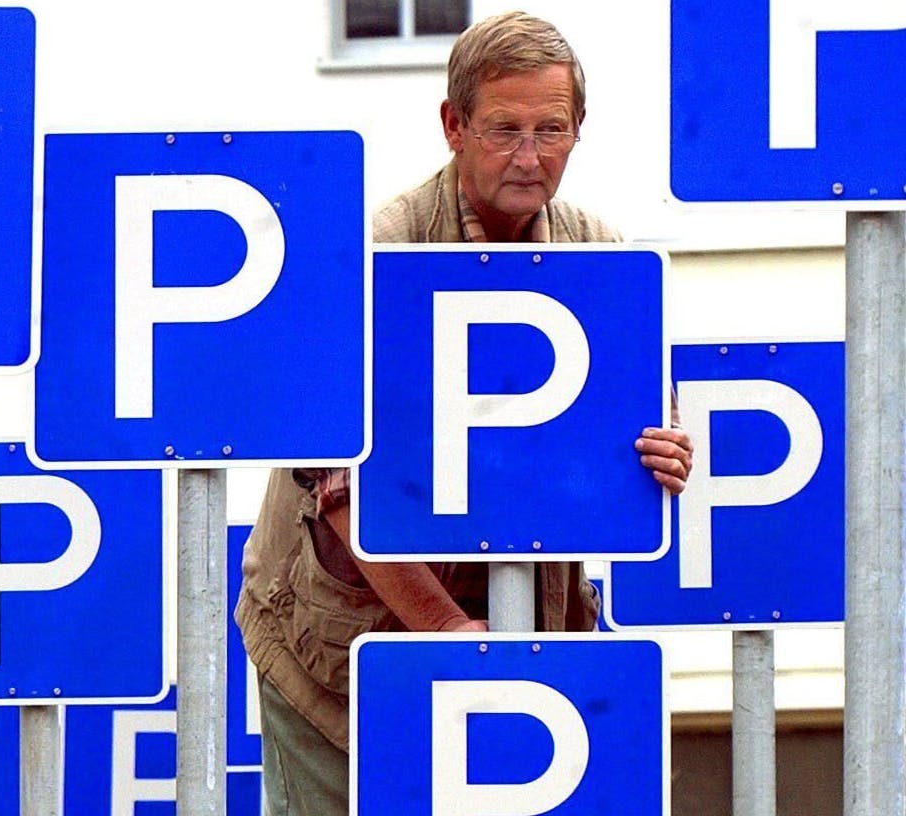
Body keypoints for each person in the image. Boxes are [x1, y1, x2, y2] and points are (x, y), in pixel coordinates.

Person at [233, 11, 693, 816]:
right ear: (453, 125)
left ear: (580, 131)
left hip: (528, 638)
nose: (528, 156)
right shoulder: (379, 253)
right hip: (340, 651)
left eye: (552, 129)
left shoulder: (602, 259)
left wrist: (665, 454)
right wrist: (447, 633)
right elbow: (342, 488)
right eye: (504, 129)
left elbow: (644, 420)